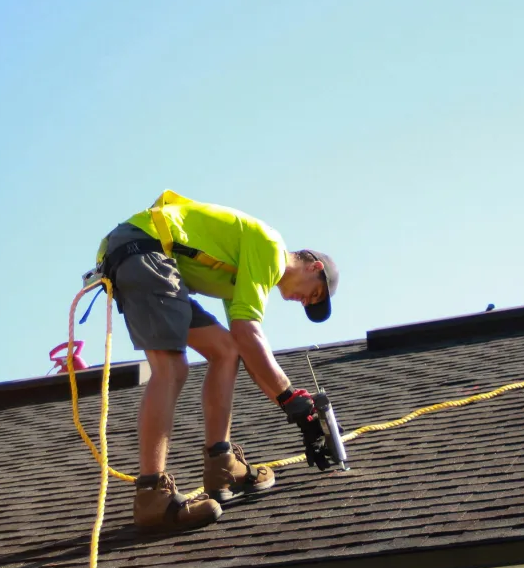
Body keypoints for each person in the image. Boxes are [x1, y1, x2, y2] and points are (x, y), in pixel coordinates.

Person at [93, 191, 339, 533]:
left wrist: (291, 403)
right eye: (313, 293)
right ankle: (151, 496)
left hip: (147, 257)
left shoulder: (247, 273)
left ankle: (221, 464)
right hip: (143, 251)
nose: (303, 301)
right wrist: (291, 398)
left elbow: (242, 342)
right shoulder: (270, 247)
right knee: (171, 367)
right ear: (315, 266)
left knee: (225, 350)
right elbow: (250, 333)